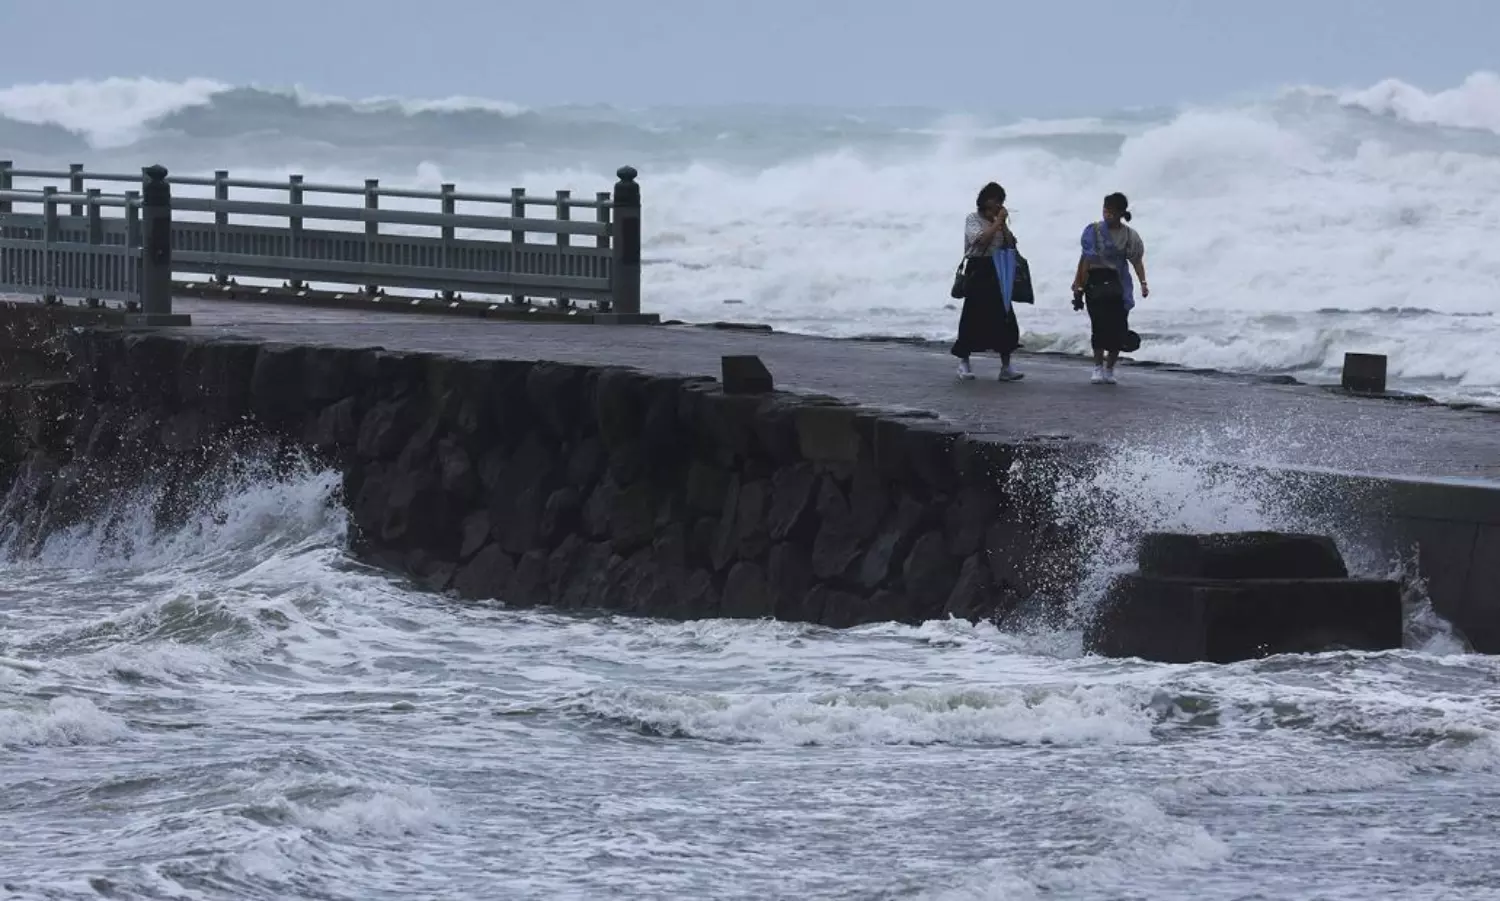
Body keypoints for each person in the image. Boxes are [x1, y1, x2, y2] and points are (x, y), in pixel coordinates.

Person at [1071, 192, 1148, 385]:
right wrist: (1078, 284)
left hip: (1119, 283)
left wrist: (1143, 283)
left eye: (1111, 212)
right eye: (1105, 210)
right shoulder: (1093, 231)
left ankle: (1110, 369)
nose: (1107, 215)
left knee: (1118, 327)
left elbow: (1136, 261)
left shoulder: (1130, 235)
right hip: (1095, 282)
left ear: (1121, 213)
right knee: (1099, 326)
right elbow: (1085, 260)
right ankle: (1097, 367)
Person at [951, 182, 1024, 382]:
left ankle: (1006, 366)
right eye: (995, 200)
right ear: (985, 201)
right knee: (972, 316)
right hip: (978, 268)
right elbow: (980, 241)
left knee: (1005, 316)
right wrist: (996, 223)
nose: (998, 204)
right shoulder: (973, 219)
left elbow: (1011, 244)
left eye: (1001, 201)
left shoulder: (998, 222)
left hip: (998, 269)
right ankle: (964, 363)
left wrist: (1003, 225)